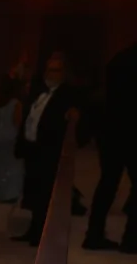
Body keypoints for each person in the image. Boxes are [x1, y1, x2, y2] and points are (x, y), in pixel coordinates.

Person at [14, 55, 80, 246]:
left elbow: (73, 117)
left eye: (55, 70)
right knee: (34, 192)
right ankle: (33, 230)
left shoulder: (66, 95)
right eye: (49, 70)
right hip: (33, 149)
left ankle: (40, 234)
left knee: (45, 194)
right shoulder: (39, 92)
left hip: (49, 150)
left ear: (63, 73)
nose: (50, 74)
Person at [84, 41, 137, 252]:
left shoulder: (119, 58)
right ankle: (131, 239)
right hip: (133, 131)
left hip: (112, 130)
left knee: (107, 183)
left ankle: (93, 234)